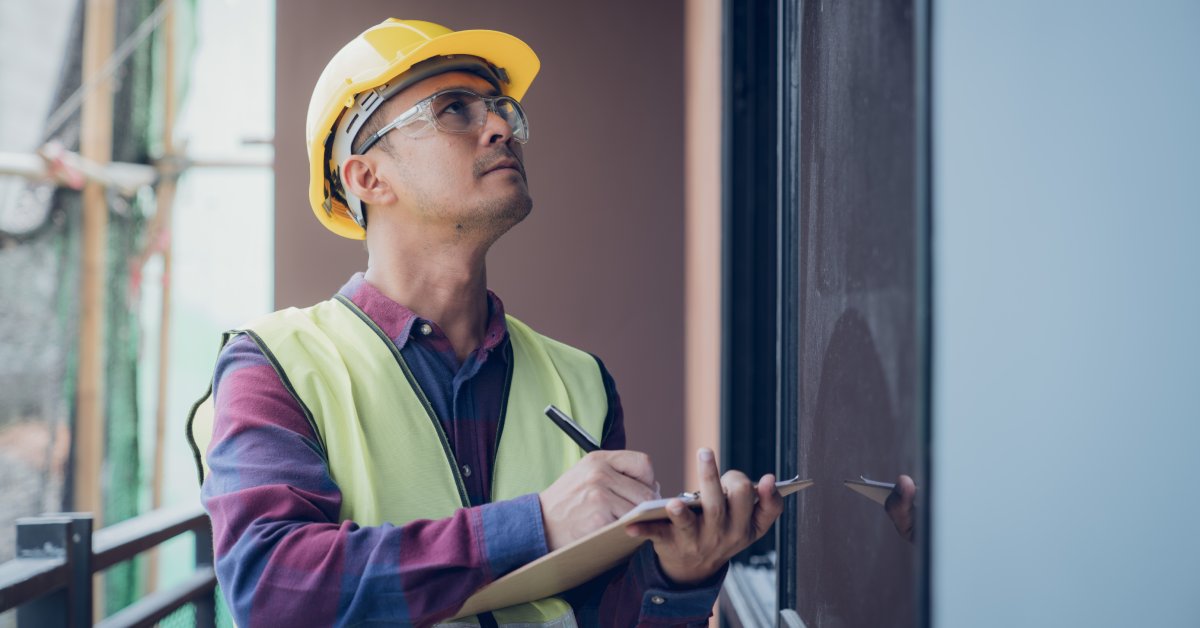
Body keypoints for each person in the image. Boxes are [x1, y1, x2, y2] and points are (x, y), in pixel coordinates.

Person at [186, 18, 783, 627]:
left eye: (501, 109)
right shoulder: (274, 366)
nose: (501, 126)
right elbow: (271, 590)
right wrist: (537, 525)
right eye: (454, 110)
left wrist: (681, 576)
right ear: (367, 177)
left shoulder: (581, 382)